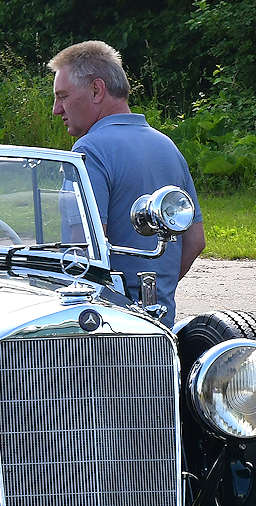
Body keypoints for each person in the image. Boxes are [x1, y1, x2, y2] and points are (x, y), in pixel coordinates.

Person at [49, 40, 205, 326]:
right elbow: (195, 241)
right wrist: (153, 294)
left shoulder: (89, 150)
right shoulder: (167, 146)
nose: (56, 109)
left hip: (104, 327)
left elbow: (84, 250)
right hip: (159, 321)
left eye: (63, 96)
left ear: (97, 90)